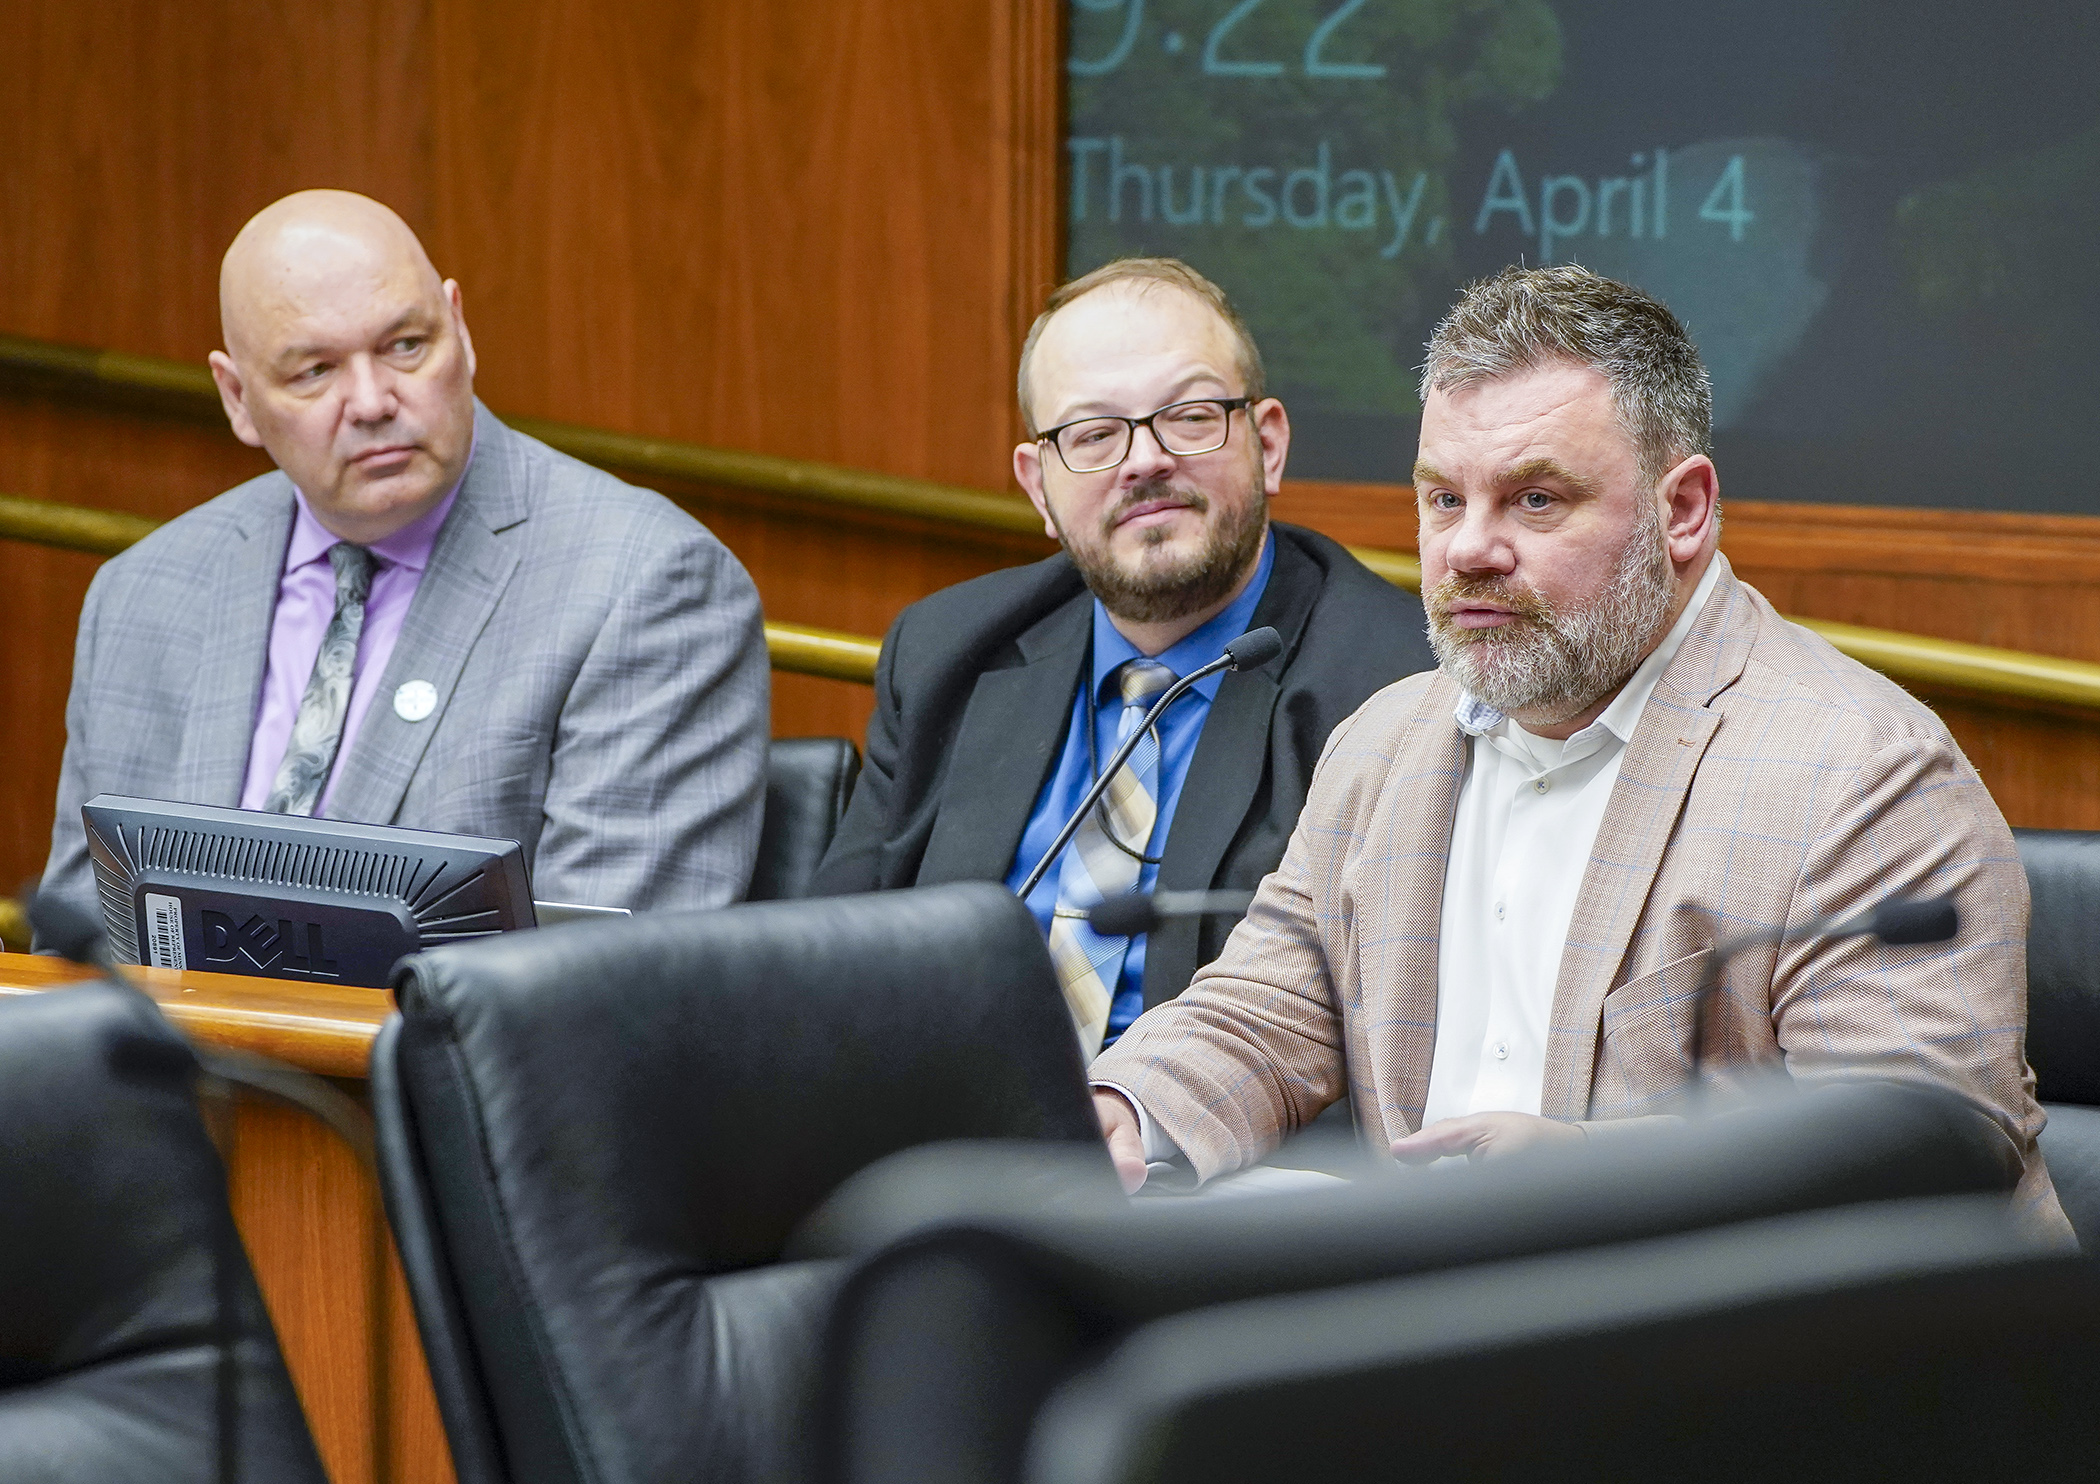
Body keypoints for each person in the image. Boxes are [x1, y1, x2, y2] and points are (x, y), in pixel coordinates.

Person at [1089, 264, 2068, 1238]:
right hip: (1450, 1331)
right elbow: (1265, 1011)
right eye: (1443, 501)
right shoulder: (1385, 746)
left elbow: (1923, 1150)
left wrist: (1588, 1180)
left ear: (1680, 511)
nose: (1468, 549)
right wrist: (1124, 1111)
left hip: (1768, 1360)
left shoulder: (1861, 775)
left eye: (1536, 501)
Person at [40, 190, 768, 923]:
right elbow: (72, 952)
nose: (372, 401)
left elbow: (601, 990)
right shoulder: (142, 593)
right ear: (237, 398)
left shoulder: (642, 582)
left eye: (405, 347)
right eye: (314, 371)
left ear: (461, 328)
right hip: (167, 1038)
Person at [811, 258, 1434, 1054]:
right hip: (951, 1139)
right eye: (1095, 433)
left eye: (1191, 415)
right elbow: (822, 957)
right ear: (1039, 489)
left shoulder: (1394, 683)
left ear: (1268, 444)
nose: (1144, 461)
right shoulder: (946, 655)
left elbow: (1377, 1046)